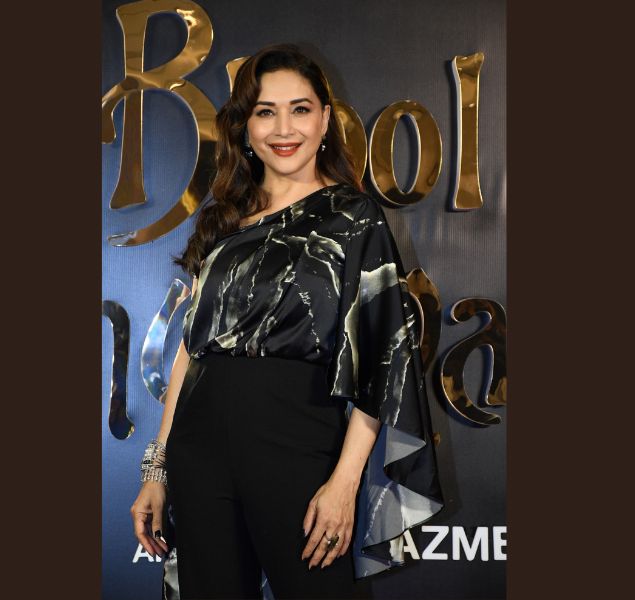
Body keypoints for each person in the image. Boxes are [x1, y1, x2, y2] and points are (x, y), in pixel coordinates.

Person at [130, 43, 443, 599]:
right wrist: (158, 469)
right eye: (265, 112)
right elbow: (190, 353)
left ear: (325, 119)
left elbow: (382, 364)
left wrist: (344, 483)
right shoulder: (224, 222)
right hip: (198, 450)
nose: (283, 128)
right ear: (245, 127)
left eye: (300, 109)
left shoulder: (353, 218)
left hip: (296, 443)